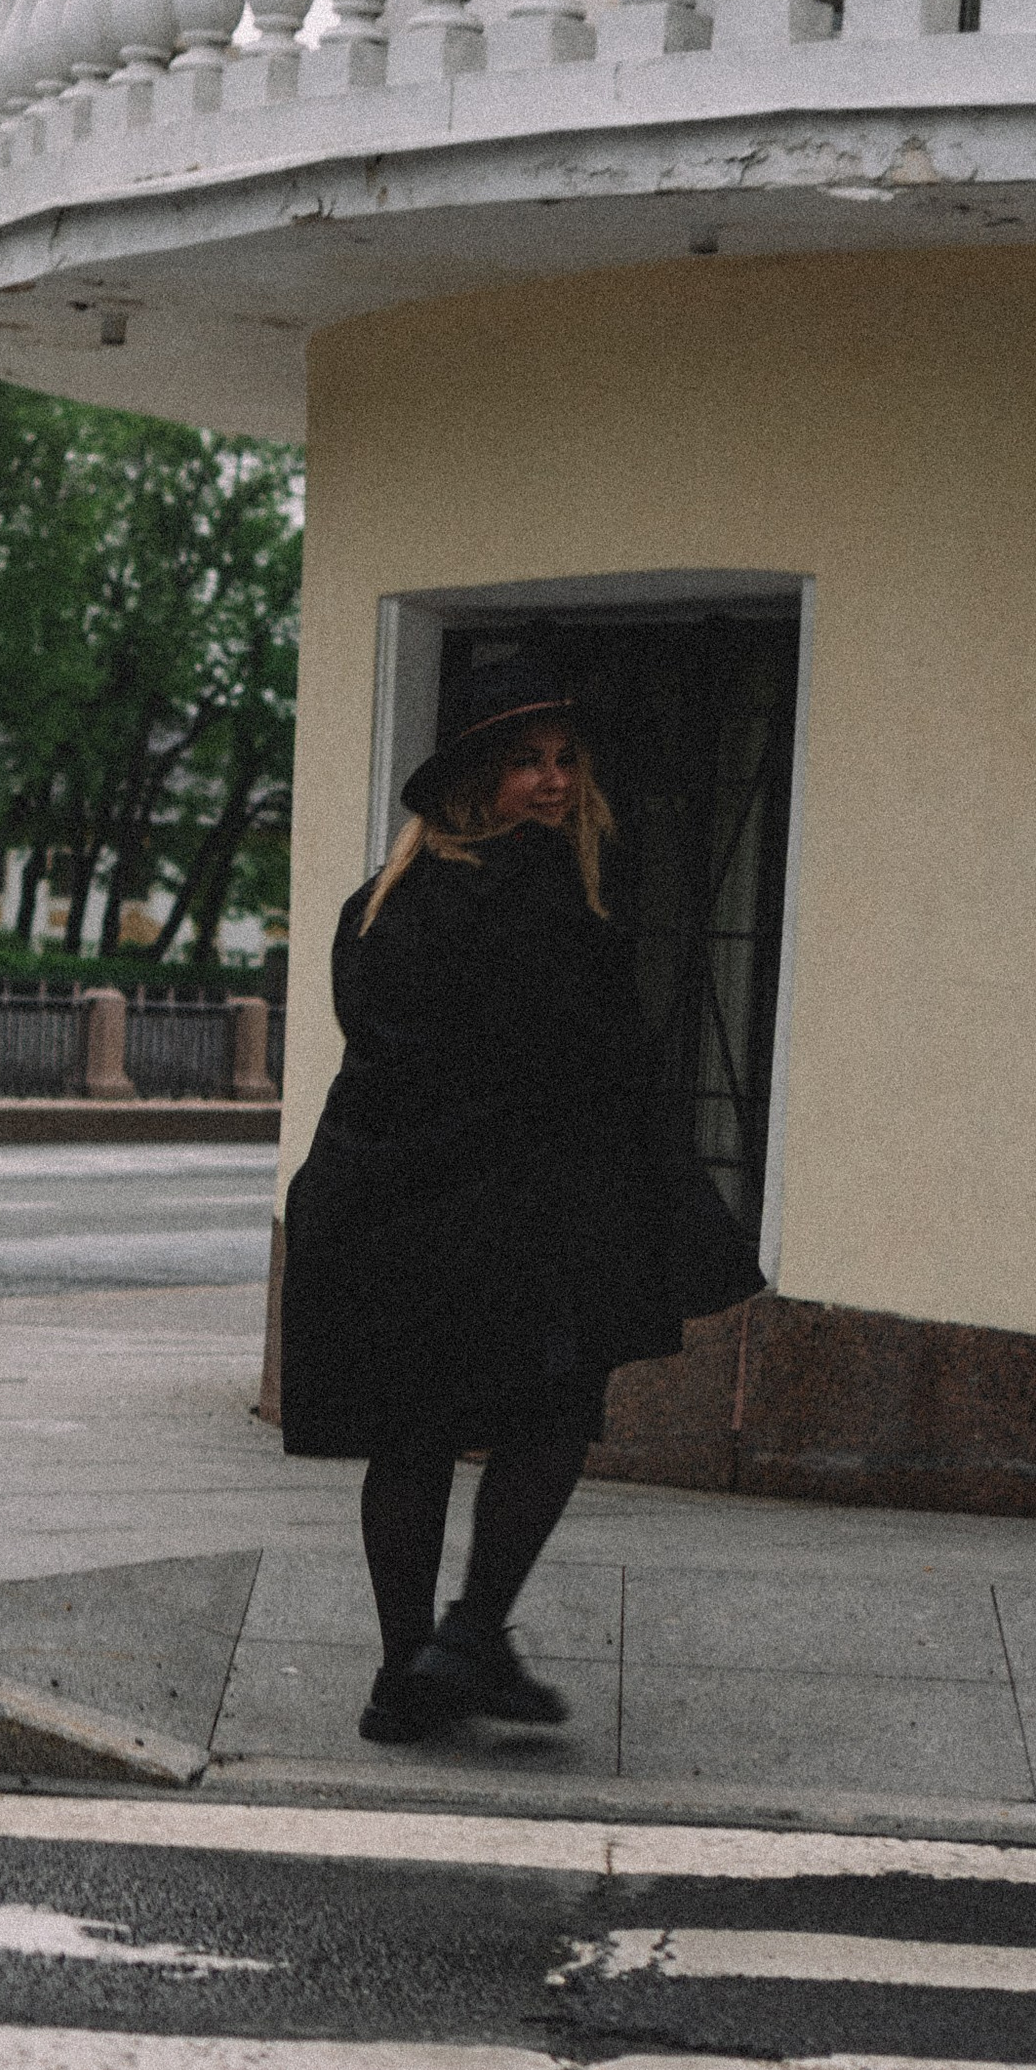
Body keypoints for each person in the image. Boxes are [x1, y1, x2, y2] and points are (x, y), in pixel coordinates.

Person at [277, 659, 765, 1746]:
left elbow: (386, 1057)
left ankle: (405, 1676)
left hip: (378, 1205)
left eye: (562, 760)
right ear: (471, 784)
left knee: (410, 1441)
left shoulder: (380, 901)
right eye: (522, 763)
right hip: (497, 1215)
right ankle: (471, 1635)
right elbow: (580, 1065)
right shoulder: (538, 889)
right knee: (550, 1418)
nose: (550, 784)